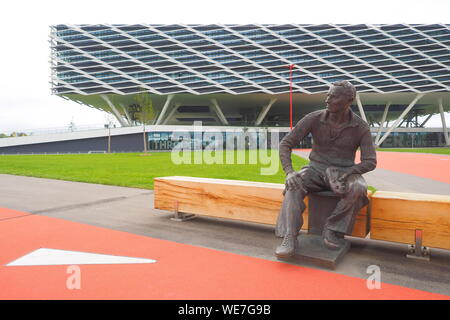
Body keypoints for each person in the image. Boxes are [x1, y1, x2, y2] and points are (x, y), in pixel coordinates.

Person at [275, 80, 377, 258]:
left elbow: (370, 161)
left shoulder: (361, 127)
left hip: (344, 173)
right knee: (294, 183)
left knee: (359, 187)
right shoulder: (313, 118)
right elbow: (285, 144)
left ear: (349, 100)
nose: (327, 100)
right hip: (314, 170)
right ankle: (290, 236)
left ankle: (332, 228)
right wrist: (289, 171)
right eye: (327, 95)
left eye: (333, 96)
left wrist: (347, 173)